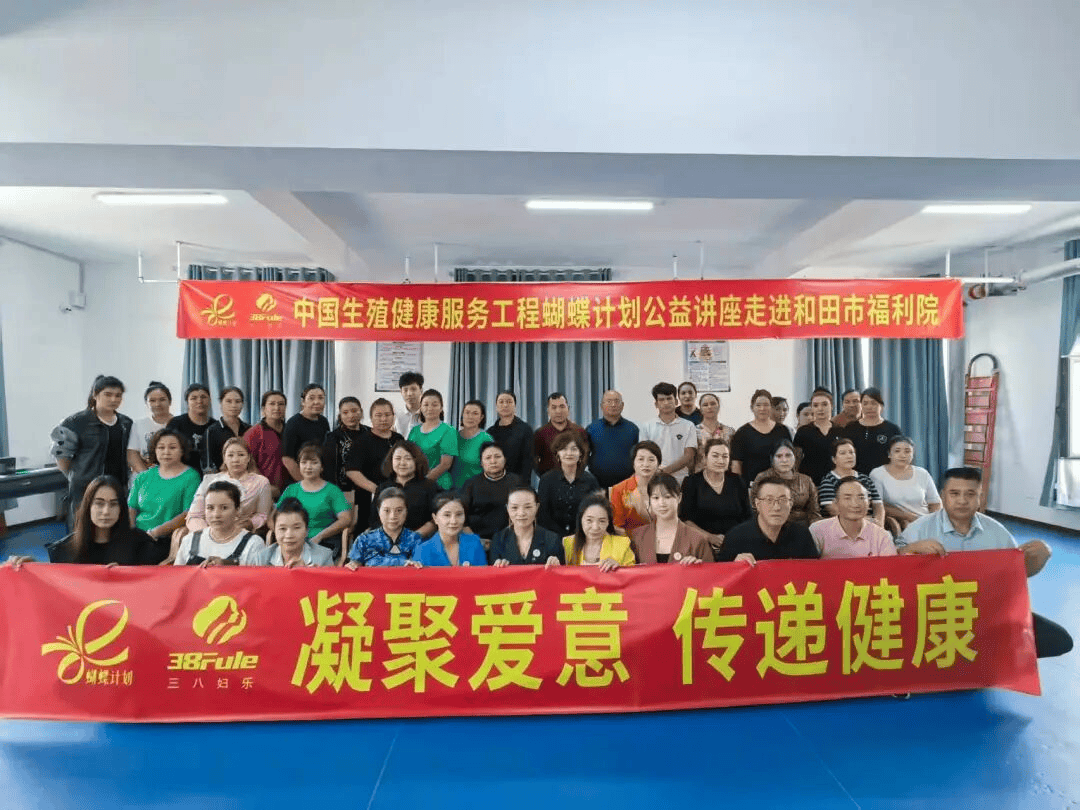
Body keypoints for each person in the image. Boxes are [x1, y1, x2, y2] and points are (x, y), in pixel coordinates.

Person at [897, 467, 1073, 659]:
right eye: (954, 493)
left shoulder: (997, 533)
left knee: (1059, 640)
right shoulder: (919, 529)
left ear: (980, 497)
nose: (962, 500)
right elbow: (889, 568)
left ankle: (983, 656)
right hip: (934, 614)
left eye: (970, 494)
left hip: (986, 613)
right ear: (943, 495)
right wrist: (909, 549)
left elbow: (1014, 575)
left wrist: (1038, 557)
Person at [51, 375, 134, 528]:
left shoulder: (126, 423)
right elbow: (61, 456)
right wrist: (75, 476)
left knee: (114, 529)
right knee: (82, 530)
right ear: (95, 395)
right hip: (85, 488)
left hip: (117, 487)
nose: (113, 399)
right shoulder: (75, 422)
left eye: (118, 395)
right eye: (108, 394)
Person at [127, 428, 201, 561]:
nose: (166, 452)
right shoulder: (143, 477)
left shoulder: (191, 477)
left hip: (167, 538)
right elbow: (131, 509)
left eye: (172, 447)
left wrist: (155, 532)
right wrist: (130, 534)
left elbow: (187, 514)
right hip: (138, 535)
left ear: (182, 450)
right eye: (161, 447)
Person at [48, 475, 157, 565]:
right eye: (99, 504)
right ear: (88, 507)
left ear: (121, 509)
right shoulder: (64, 550)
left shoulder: (140, 544)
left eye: (113, 504)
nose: (106, 511)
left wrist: (125, 574)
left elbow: (152, 578)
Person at [716, 474, 819, 563]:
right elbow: (721, 576)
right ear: (757, 504)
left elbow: (813, 571)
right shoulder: (735, 538)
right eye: (769, 500)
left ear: (791, 504)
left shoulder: (802, 534)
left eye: (783, 500)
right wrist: (734, 566)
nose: (777, 507)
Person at [277, 442, 352, 563]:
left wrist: (321, 535)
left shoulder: (332, 491)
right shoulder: (291, 490)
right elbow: (275, 517)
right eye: (304, 462)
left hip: (324, 542)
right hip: (292, 542)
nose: (308, 467)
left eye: (314, 463)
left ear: (322, 467)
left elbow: (346, 519)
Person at [185, 437, 272, 533]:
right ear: (224, 458)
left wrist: (250, 524)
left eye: (241, 455)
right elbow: (195, 516)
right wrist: (208, 534)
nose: (235, 460)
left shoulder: (261, 482)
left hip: (241, 532)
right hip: (207, 531)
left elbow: (262, 515)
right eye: (230, 455)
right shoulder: (209, 480)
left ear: (248, 458)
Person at [680, 439, 751, 555]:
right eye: (715, 456)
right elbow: (685, 520)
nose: (720, 460)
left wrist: (735, 538)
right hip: (701, 544)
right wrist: (710, 537)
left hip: (736, 543)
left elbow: (748, 517)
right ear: (705, 458)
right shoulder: (691, 482)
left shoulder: (737, 481)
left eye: (725, 456)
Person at [173, 480, 265, 566]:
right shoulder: (189, 540)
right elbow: (178, 575)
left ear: (237, 510)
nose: (216, 515)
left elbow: (258, 577)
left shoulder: (253, 543)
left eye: (224, 508)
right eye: (210, 508)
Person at [345, 397, 402, 531]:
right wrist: (377, 490)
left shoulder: (398, 439)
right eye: (378, 415)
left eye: (387, 415)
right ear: (371, 418)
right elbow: (352, 471)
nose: (383, 419)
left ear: (393, 416)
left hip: (396, 496)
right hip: (368, 497)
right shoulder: (362, 441)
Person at [631, 474, 712, 564]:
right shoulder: (636, 537)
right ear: (649, 500)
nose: (661, 503)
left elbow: (711, 571)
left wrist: (698, 566)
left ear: (679, 498)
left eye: (667, 497)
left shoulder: (698, 539)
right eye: (656, 498)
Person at [810, 477, 897, 559]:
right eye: (847, 498)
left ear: (869, 502)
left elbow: (889, 567)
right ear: (836, 503)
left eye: (861, 498)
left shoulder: (882, 536)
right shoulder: (817, 531)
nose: (855, 504)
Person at [869, 435, 942, 531]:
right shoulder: (878, 474)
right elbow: (878, 505)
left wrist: (933, 522)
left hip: (926, 521)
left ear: (913, 454)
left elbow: (935, 504)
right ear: (889, 454)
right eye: (897, 451)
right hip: (903, 523)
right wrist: (910, 517)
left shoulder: (922, 473)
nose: (902, 455)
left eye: (907, 451)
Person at [537, 431, 601, 538]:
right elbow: (543, 516)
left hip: (583, 536)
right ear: (557, 454)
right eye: (564, 449)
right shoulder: (547, 480)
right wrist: (560, 537)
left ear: (580, 454)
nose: (569, 453)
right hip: (552, 537)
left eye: (574, 449)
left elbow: (596, 512)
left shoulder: (591, 480)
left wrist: (578, 535)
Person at [371, 441, 439, 537]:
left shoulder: (430, 487)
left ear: (416, 461)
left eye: (408, 458)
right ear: (391, 461)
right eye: (398, 458)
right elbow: (374, 520)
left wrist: (413, 537)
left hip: (419, 540)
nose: (402, 463)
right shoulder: (382, 488)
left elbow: (436, 519)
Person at [346, 487, 425, 568]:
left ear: (406, 511)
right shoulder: (364, 540)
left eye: (399, 510)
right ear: (378, 511)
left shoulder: (416, 539)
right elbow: (354, 566)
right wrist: (354, 564)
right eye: (387, 510)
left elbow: (421, 566)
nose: (393, 516)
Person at [461, 442, 523, 543]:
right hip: (478, 540)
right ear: (481, 462)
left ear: (504, 459)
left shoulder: (516, 482)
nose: (493, 461)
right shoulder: (471, 484)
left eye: (497, 456)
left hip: (511, 540)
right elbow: (462, 518)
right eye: (488, 458)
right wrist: (475, 541)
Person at [750, 439, 821, 527]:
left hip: (802, 526)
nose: (784, 460)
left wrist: (815, 528)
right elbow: (755, 509)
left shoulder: (806, 480)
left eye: (788, 455)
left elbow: (814, 512)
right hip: (772, 526)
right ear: (772, 459)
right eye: (779, 456)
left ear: (795, 457)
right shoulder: (762, 478)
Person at [730, 389, 791, 487]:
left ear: (771, 407)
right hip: (751, 486)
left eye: (766, 405)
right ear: (752, 408)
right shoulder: (742, 432)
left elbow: (790, 459)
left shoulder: (783, 430)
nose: (762, 408)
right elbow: (736, 464)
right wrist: (738, 487)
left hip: (779, 485)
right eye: (758, 405)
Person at [489, 486, 564, 566]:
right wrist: (498, 565)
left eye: (528, 507)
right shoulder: (499, 539)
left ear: (537, 507)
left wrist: (556, 564)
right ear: (507, 508)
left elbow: (562, 571)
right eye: (514, 508)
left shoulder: (552, 539)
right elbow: (492, 571)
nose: (521, 513)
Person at [818, 438, 886, 525]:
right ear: (834, 459)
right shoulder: (828, 481)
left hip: (871, 523)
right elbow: (833, 510)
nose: (849, 456)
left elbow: (878, 505)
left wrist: (879, 524)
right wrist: (865, 521)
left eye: (851, 452)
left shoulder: (865, 479)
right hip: (845, 525)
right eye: (843, 453)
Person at [638, 382, 697, 483]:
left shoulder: (688, 426)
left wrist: (664, 471)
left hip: (681, 479)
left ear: (676, 401)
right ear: (656, 404)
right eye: (661, 400)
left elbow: (689, 455)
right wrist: (657, 472)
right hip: (654, 479)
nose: (666, 403)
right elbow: (644, 454)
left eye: (669, 398)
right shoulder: (647, 427)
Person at [562, 494, 635, 570]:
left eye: (602, 521)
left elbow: (634, 573)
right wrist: (554, 565)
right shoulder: (568, 544)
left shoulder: (622, 545)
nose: (595, 527)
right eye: (589, 520)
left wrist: (620, 568)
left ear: (608, 522)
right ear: (580, 520)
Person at [414, 492, 488, 566]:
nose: (454, 521)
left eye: (459, 514)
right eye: (447, 515)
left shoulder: (474, 542)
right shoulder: (422, 550)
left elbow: (484, 571)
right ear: (435, 518)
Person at [841, 387, 902, 475]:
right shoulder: (850, 428)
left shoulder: (892, 429)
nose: (869, 407)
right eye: (865, 403)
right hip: (856, 478)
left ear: (881, 406)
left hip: (885, 477)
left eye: (873, 403)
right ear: (861, 405)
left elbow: (899, 457)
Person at [258, 498, 335, 567]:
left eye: (296, 528)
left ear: (306, 530)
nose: (289, 535)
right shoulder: (261, 559)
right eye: (282, 528)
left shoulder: (324, 556)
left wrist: (307, 572)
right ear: (274, 530)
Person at [586, 389, 639, 489]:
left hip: (627, 486)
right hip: (597, 485)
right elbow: (584, 455)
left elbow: (639, 456)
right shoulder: (591, 428)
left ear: (622, 405)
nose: (613, 405)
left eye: (616, 401)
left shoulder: (633, 429)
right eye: (609, 401)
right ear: (601, 406)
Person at [407, 388, 458, 489]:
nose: (430, 408)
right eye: (426, 405)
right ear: (421, 408)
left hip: (439, 485)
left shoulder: (448, 430)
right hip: (415, 482)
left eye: (434, 405)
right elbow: (408, 457)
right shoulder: (414, 431)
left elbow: (445, 464)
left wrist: (423, 483)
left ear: (441, 408)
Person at [281, 383, 331, 483]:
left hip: (319, 479)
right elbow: (287, 459)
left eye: (321, 398)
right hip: (299, 482)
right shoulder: (293, 424)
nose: (317, 402)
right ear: (303, 402)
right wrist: (306, 483)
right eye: (311, 398)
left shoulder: (323, 421)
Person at [609, 441, 661, 536]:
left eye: (651, 460)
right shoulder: (619, 490)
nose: (646, 464)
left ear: (658, 464)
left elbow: (669, 523)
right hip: (629, 540)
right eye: (641, 459)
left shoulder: (665, 488)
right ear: (633, 463)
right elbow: (617, 526)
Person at [533, 391, 589, 477]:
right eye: (554, 407)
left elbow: (585, 456)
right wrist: (545, 476)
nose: (558, 411)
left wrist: (577, 474)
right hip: (550, 482)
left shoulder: (579, 432)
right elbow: (534, 460)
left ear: (568, 409)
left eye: (562, 406)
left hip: (576, 481)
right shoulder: (540, 434)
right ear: (548, 411)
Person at [321, 396, 367, 499]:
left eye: (354, 411)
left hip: (368, 489)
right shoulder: (333, 437)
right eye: (345, 413)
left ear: (361, 412)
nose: (351, 415)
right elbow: (329, 471)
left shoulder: (370, 433)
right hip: (343, 491)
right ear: (340, 416)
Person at [244, 390, 288, 497]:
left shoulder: (291, 430)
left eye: (281, 404)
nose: (277, 408)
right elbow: (248, 465)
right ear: (263, 409)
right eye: (272, 404)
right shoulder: (253, 433)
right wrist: (266, 486)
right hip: (265, 491)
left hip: (290, 490)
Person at [794, 390, 842, 485]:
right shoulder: (803, 431)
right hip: (809, 483)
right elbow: (796, 460)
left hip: (835, 482)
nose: (820, 409)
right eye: (816, 405)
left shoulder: (840, 431)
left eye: (824, 404)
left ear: (832, 406)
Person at [166, 383, 213, 474]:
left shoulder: (216, 426)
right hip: (181, 475)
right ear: (187, 402)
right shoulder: (175, 424)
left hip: (211, 476)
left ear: (210, 400)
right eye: (193, 398)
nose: (199, 401)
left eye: (203, 397)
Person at [127, 381, 174, 473]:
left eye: (162, 400)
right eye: (152, 401)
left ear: (170, 401)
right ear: (146, 403)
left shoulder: (179, 423)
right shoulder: (139, 424)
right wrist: (147, 476)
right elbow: (132, 453)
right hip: (145, 476)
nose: (157, 404)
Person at [487, 390, 534, 481]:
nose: (505, 405)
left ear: (515, 406)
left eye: (509, 402)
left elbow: (528, 462)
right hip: (494, 482)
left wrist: (521, 485)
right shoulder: (490, 432)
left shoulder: (525, 430)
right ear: (496, 407)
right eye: (501, 402)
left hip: (517, 483)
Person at [205, 386, 251, 472]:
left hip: (248, 476)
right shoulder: (211, 431)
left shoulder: (249, 429)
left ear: (242, 404)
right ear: (221, 403)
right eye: (229, 401)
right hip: (222, 477)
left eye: (238, 401)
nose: (233, 405)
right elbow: (209, 465)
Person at [453, 399, 494, 487]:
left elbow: (491, 470)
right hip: (451, 490)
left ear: (481, 417)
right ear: (462, 415)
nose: (470, 417)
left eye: (475, 413)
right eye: (467, 413)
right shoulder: (453, 437)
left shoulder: (486, 439)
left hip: (476, 490)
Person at [692, 393, 735, 473]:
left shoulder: (729, 431)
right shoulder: (693, 431)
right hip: (700, 475)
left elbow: (734, 459)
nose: (709, 407)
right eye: (705, 405)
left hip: (724, 475)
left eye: (713, 404)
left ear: (718, 407)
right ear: (700, 409)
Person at [395, 371, 425, 438]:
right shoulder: (396, 416)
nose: (409, 394)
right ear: (401, 392)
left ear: (421, 390)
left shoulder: (428, 414)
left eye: (413, 389)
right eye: (405, 390)